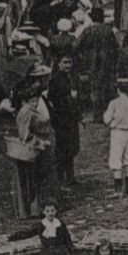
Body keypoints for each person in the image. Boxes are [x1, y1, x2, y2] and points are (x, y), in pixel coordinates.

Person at [13, 87, 55, 218]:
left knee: (39, 177)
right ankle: (35, 208)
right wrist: (39, 142)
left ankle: (39, 206)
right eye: (32, 101)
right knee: (34, 178)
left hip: (40, 147)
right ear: (25, 101)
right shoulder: (26, 112)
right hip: (33, 150)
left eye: (36, 100)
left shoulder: (30, 110)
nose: (35, 103)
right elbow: (24, 134)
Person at [47, 56, 81, 186]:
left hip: (69, 117)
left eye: (70, 62)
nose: (68, 65)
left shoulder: (69, 77)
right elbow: (54, 99)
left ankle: (70, 176)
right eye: (65, 62)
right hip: (62, 118)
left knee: (71, 146)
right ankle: (61, 178)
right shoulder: (56, 79)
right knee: (63, 148)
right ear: (59, 64)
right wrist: (69, 97)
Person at [102, 78, 128, 198]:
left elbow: (106, 119)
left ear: (117, 89)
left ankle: (118, 189)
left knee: (116, 158)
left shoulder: (114, 103)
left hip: (118, 132)